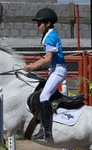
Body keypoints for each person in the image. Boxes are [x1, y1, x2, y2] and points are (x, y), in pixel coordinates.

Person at [23, 7, 67, 141]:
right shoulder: (50, 35)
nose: (38, 26)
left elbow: (47, 59)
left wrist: (32, 67)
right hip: (54, 69)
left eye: (39, 24)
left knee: (43, 96)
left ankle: (47, 131)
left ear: (47, 24)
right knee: (40, 91)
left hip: (58, 70)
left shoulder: (50, 37)